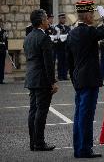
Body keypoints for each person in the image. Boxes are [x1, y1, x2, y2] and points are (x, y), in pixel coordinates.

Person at [67, 0, 104, 158]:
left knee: (79, 116)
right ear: (87, 15)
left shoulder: (72, 33)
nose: (94, 16)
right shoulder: (89, 32)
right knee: (86, 116)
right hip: (89, 79)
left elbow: (69, 61)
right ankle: (85, 150)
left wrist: (74, 79)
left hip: (79, 79)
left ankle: (78, 148)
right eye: (93, 14)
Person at [23, 9, 58, 151]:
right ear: (42, 21)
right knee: (41, 111)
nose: (48, 21)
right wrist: (53, 82)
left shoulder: (28, 36)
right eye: (46, 19)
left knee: (33, 110)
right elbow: (48, 63)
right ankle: (39, 142)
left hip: (31, 77)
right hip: (42, 80)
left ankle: (33, 142)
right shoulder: (43, 38)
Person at [55, 13, 70, 80]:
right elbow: (57, 37)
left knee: (66, 62)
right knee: (60, 62)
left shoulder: (67, 27)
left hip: (66, 47)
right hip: (60, 47)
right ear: (59, 19)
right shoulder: (57, 27)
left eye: (64, 18)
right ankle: (60, 75)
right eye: (62, 18)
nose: (63, 19)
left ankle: (65, 75)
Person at [0, 19, 8, 84]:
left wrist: (7, 49)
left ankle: (1, 79)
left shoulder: (4, 31)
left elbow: (6, 41)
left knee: (2, 64)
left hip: (3, 49)